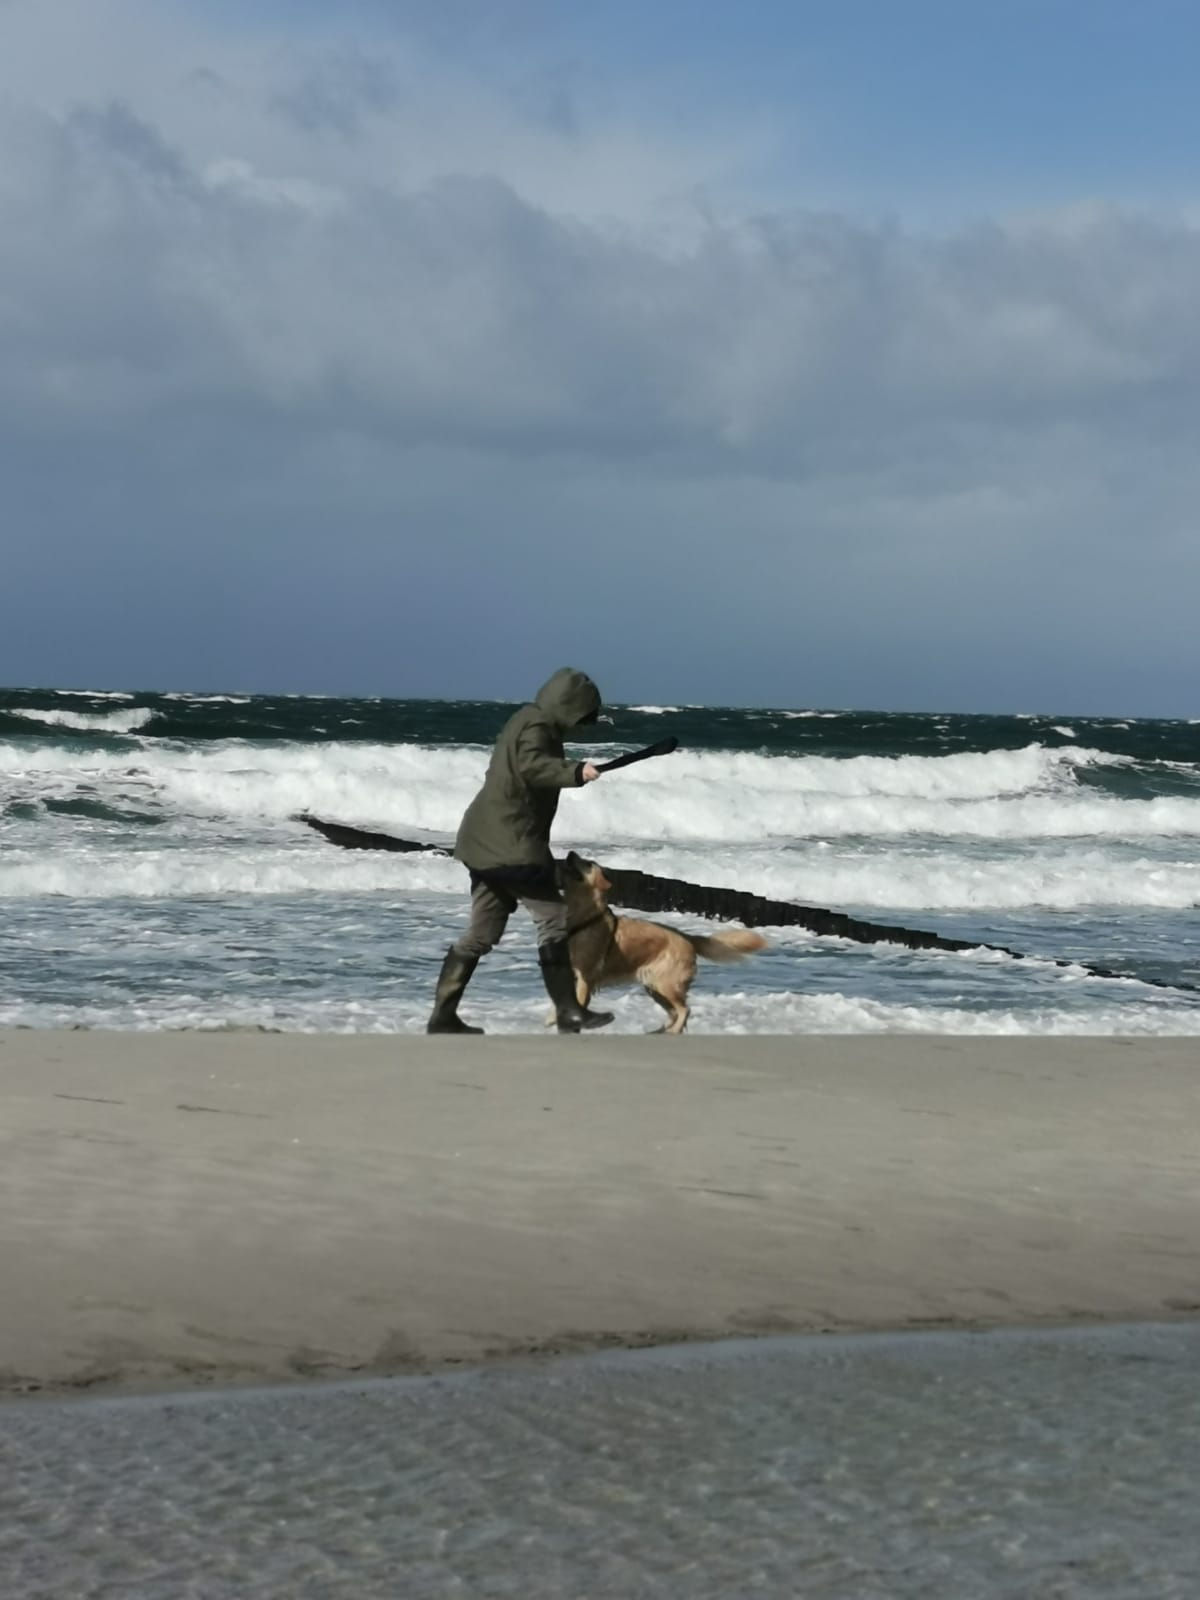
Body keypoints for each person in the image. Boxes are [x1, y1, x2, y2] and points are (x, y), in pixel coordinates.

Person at [426, 668, 615, 1035]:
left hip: (482, 843)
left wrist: (571, 769)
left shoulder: (526, 719)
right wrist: (575, 772)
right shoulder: (537, 727)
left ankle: (443, 1017)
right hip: (507, 844)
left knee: (482, 933)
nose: (581, 726)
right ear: (569, 706)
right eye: (582, 717)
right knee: (554, 916)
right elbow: (532, 766)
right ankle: (569, 1012)